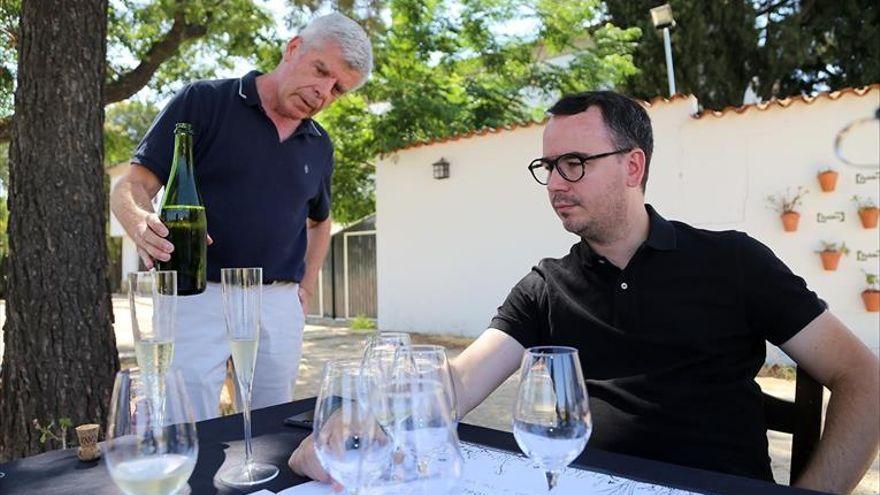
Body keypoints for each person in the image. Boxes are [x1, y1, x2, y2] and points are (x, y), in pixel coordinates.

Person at [289, 91, 880, 494]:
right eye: (546, 166)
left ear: (632, 165)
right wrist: (355, 420)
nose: (553, 183)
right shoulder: (549, 284)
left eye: (573, 163)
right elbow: (461, 383)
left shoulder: (732, 260)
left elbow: (864, 378)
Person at [111, 13, 373, 421]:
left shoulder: (320, 145)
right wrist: (141, 222)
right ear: (293, 48)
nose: (323, 91)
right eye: (321, 70)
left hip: (278, 302)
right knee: (187, 421)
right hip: (196, 295)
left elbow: (320, 220)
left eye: (338, 89)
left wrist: (306, 286)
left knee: (273, 426)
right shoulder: (203, 101)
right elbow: (132, 185)